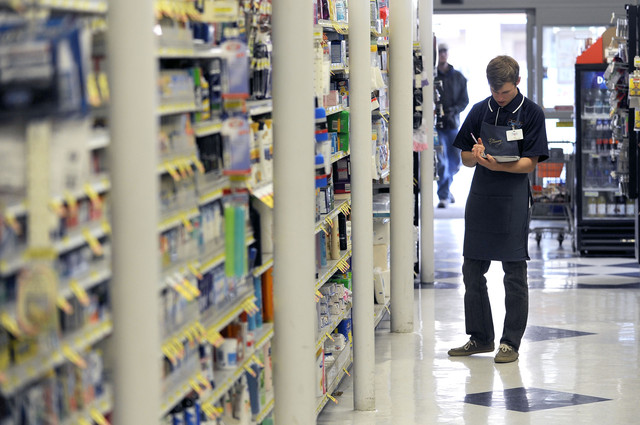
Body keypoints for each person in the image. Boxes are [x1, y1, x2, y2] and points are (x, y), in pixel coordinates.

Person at [447, 55, 549, 363]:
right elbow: (463, 155)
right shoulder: (480, 110)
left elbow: (530, 163)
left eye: (503, 91)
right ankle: (480, 337)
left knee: (513, 272)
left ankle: (510, 343)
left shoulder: (531, 114)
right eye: (494, 91)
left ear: (517, 83)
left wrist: (500, 166)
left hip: (513, 198)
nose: (498, 97)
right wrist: (476, 157)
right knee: (472, 270)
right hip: (481, 196)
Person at [435, 43, 469, 208]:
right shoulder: (432, 77)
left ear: (448, 54)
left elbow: (465, 101)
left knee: (455, 161)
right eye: (439, 52)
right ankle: (443, 196)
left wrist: (453, 110)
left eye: (444, 52)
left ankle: (447, 190)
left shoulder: (459, 78)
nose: (442, 55)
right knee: (442, 162)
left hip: (453, 125)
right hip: (437, 127)